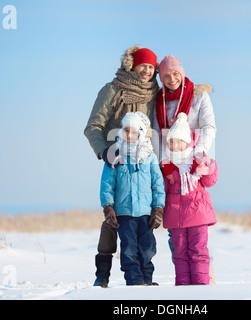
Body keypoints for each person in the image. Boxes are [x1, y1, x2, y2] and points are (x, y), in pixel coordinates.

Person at [84, 46, 159, 288]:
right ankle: (102, 274)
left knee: (139, 228)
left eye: (151, 67)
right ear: (131, 65)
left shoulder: (155, 93)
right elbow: (93, 126)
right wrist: (104, 152)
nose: (147, 71)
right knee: (111, 221)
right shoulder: (113, 90)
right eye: (142, 66)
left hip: (144, 164)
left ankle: (142, 277)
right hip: (116, 161)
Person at [152, 55, 217, 284]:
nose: (171, 79)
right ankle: (184, 279)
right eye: (166, 76)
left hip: (193, 168)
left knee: (197, 231)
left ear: (182, 72)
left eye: (175, 73)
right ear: (161, 78)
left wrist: (197, 154)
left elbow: (209, 126)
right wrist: (162, 163)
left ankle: (203, 276)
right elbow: (156, 136)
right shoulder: (158, 101)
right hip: (169, 169)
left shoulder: (199, 96)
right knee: (176, 232)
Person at [100, 112, 165, 286]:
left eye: (134, 131)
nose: (128, 135)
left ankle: (146, 279)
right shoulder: (116, 155)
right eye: (126, 130)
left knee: (147, 247)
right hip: (124, 212)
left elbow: (158, 184)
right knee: (129, 249)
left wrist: (158, 208)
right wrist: (108, 207)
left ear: (141, 134)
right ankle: (134, 280)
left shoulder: (149, 157)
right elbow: (107, 183)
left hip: (145, 213)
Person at [161, 113, 218, 285]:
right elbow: (162, 189)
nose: (175, 145)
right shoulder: (166, 165)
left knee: (198, 249)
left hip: (197, 214)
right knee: (179, 252)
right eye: (172, 142)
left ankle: (201, 284)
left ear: (187, 142)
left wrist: (207, 167)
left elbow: (210, 181)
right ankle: (183, 285)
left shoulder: (196, 159)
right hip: (176, 216)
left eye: (179, 141)